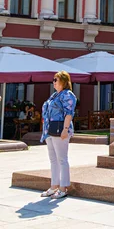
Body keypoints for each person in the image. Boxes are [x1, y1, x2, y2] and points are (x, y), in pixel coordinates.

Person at [40, 70, 77, 199]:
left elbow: (69, 113)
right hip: (50, 131)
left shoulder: (68, 95)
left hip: (60, 129)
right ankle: (54, 185)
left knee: (62, 159)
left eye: (56, 80)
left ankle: (63, 187)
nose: (53, 82)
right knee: (53, 159)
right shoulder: (54, 95)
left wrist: (65, 129)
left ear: (63, 81)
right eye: (53, 80)